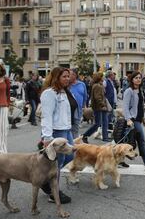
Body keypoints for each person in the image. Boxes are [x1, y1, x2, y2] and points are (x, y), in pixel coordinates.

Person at [40, 67, 77, 204]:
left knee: (71, 155)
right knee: (58, 163)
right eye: (64, 76)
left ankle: (45, 181)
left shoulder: (63, 92)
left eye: (68, 76)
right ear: (56, 78)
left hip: (66, 130)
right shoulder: (49, 93)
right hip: (56, 132)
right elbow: (46, 116)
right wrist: (47, 137)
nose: (68, 78)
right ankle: (53, 193)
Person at [82, 72, 109, 143]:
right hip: (99, 108)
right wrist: (103, 105)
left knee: (100, 123)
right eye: (102, 77)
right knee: (97, 124)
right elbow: (98, 98)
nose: (103, 78)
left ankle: (105, 137)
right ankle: (85, 135)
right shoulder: (97, 86)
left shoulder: (98, 85)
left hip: (99, 107)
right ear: (100, 78)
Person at [69, 68, 88, 138]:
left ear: (75, 75)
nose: (69, 76)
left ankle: (75, 144)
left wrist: (84, 106)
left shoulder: (82, 84)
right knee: (69, 129)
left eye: (70, 74)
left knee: (76, 129)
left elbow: (85, 96)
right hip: (69, 111)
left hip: (79, 110)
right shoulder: (67, 85)